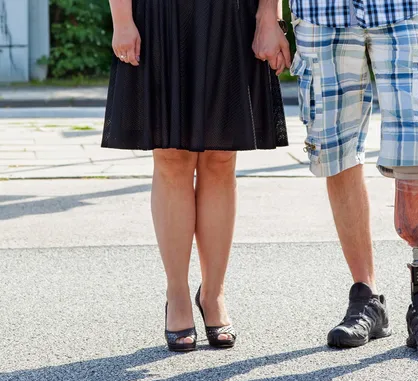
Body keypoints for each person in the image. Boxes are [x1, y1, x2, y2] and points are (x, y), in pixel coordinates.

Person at [289, 0, 418, 355]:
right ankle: (366, 298)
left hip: (403, 10)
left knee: (416, 152)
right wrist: (268, 16)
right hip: (321, 15)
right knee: (336, 154)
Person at [103, 0, 290, 351]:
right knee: (172, 157)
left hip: (230, 14)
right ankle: (177, 293)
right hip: (160, 15)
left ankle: (214, 293)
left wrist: (269, 15)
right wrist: (122, 19)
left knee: (221, 157)